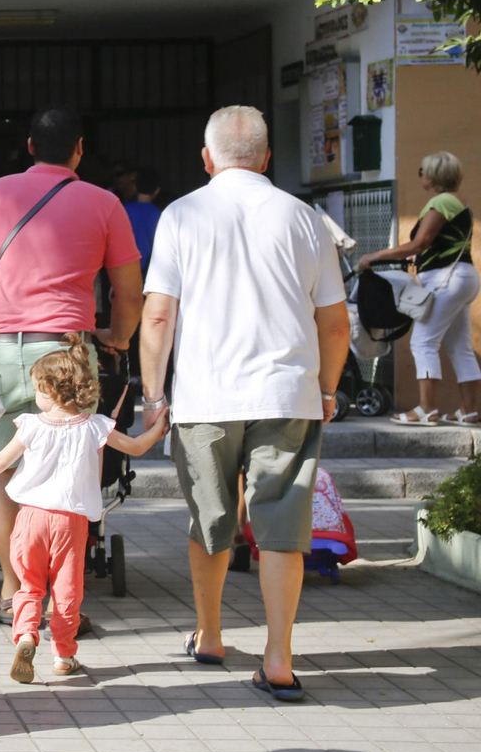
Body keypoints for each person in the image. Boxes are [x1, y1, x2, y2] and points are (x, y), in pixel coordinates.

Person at [138, 105, 350, 702]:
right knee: (282, 524)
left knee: (212, 519)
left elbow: (158, 314)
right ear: (267, 157)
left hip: (205, 394)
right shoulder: (306, 219)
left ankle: (209, 634)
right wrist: (328, 388)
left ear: (206, 159)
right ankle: (279, 656)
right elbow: (334, 324)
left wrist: (155, 395)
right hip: (287, 394)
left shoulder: (181, 215)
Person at [0, 109, 142, 628]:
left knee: (1, 467)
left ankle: (14, 591)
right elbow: (128, 289)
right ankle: (59, 596)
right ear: (79, 149)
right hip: (65, 352)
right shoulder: (104, 203)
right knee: (71, 468)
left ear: (31, 146)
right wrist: (118, 337)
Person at [0, 334, 168, 682]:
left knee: (29, 585)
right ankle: (63, 655)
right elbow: (138, 447)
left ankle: (24, 636)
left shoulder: (32, 426)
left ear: (50, 389)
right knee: (66, 590)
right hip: (70, 521)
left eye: (37, 389)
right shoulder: (96, 426)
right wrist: (158, 430)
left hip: (31, 517)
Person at [356, 150, 477, 426]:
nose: (419, 175)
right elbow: (435, 245)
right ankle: (470, 411)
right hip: (463, 277)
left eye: (422, 171)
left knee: (423, 342)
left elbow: (419, 243)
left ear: (432, 176)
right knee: (460, 347)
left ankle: (426, 409)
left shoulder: (441, 201)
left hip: (447, 279)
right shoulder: (459, 202)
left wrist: (374, 256)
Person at [124, 166, 163, 266]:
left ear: (134, 187)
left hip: (128, 266)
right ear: (157, 190)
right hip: (151, 267)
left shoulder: (123, 211)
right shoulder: (160, 214)